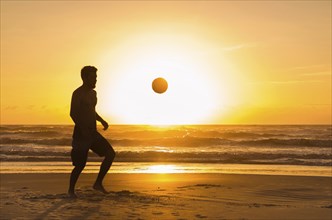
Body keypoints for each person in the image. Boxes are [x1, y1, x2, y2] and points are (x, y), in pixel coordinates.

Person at [68, 66, 115, 198]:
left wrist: (102, 120)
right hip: (81, 135)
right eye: (93, 77)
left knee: (110, 154)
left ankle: (98, 183)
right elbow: (73, 113)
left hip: (93, 133)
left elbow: (92, 111)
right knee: (80, 165)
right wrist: (83, 129)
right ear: (85, 78)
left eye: (96, 77)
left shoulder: (93, 94)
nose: (95, 80)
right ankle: (71, 190)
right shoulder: (77, 93)